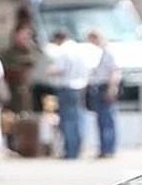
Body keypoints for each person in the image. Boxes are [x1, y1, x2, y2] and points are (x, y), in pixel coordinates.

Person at [45, 29, 90, 158]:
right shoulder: (80, 50)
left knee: (67, 120)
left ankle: (70, 151)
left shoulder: (64, 51)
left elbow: (60, 69)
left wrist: (49, 71)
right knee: (77, 119)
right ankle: (77, 149)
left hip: (67, 87)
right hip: (80, 87)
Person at [87, 29, 121, 158]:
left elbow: (115, 72)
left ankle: (108, 148)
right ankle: (104, 148)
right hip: (100, 86)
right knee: (102, 120)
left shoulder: (109, 53)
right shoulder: (102, 53)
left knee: (107, 119)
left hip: (105, 87)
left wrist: (112, 89)